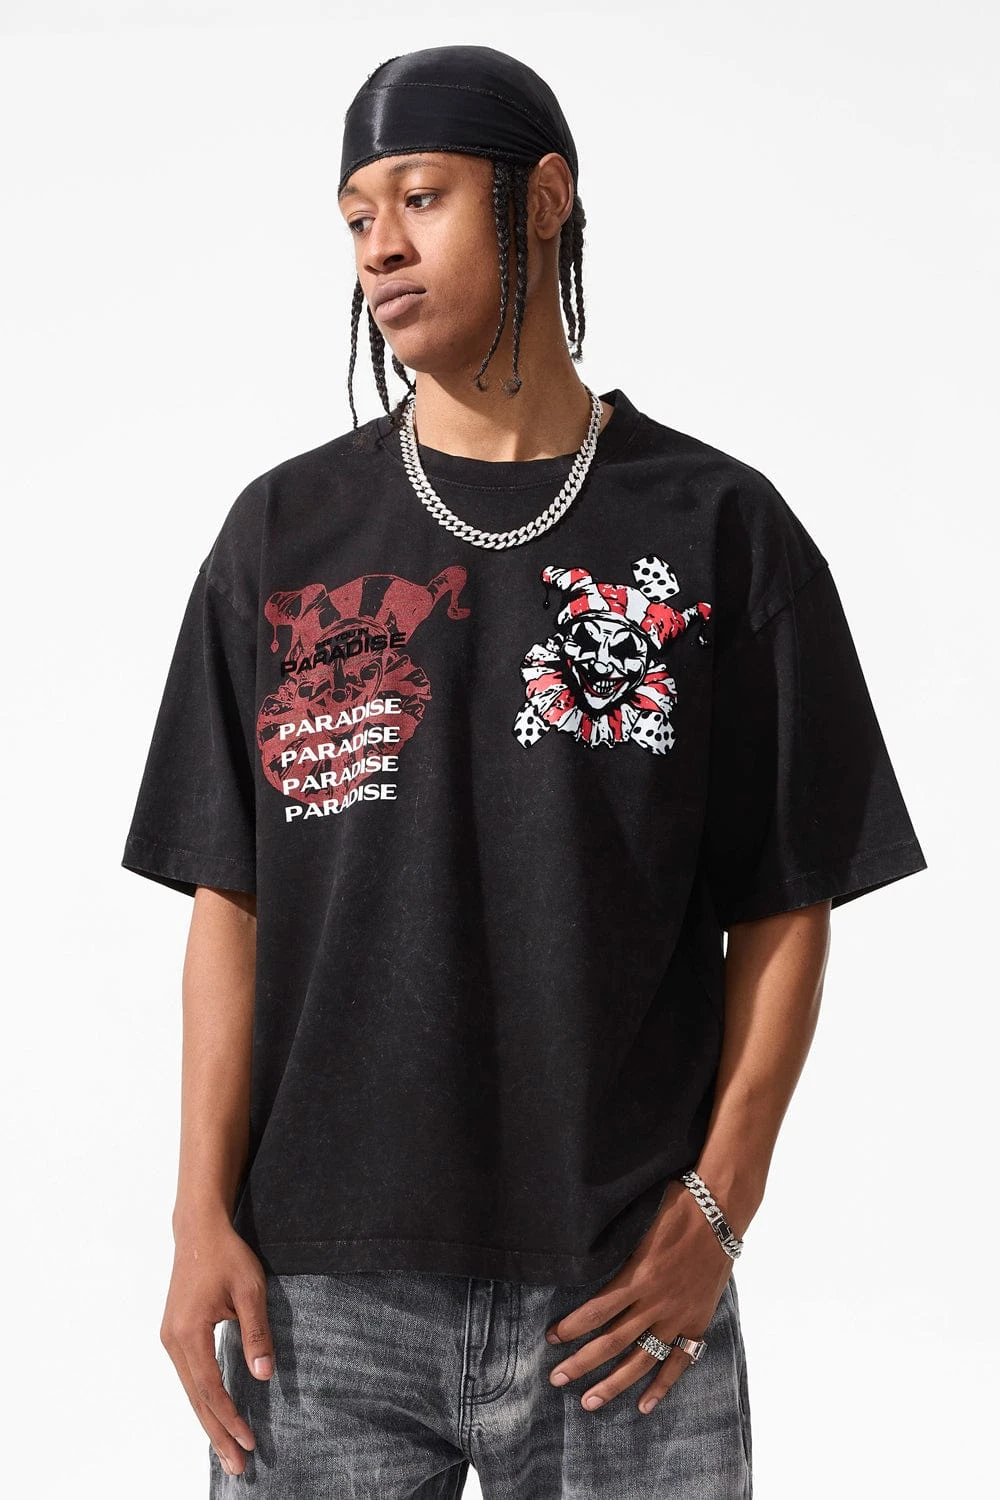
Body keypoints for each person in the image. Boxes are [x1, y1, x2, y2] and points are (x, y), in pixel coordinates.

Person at [121, 43, 928, 1499]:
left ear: (544, 199)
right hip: (317, 1294)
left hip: (621, 1290)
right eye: (356, 213)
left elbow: (789, 895)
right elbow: (228, 903)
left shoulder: (715, 528)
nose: (380, 244)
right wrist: (195, 1221)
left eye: (421, 197)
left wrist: (719, 1212)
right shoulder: (283, 537)